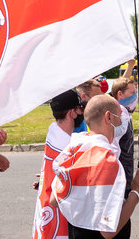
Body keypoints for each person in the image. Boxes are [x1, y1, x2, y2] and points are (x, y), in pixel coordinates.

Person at [51, 94, 139, 239]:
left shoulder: (73, 150)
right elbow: (108, 232)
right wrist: (136, 193)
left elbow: (54, 200)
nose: (124, 120)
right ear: (109, 117)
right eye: (120, 115)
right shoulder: (107, 161)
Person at [33, 90, 85, 239]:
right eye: (80, 108)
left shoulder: (54, 130)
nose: (82, 112)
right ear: (72, 113)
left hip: (45, 206)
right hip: (57, 213)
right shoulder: (67, 148)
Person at [111, 77, 137, 199]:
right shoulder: (119, 113)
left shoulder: (125, 112)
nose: (135, 96)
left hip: (125, 173)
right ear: (120, 94)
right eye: (132, 93)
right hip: (120, 176)